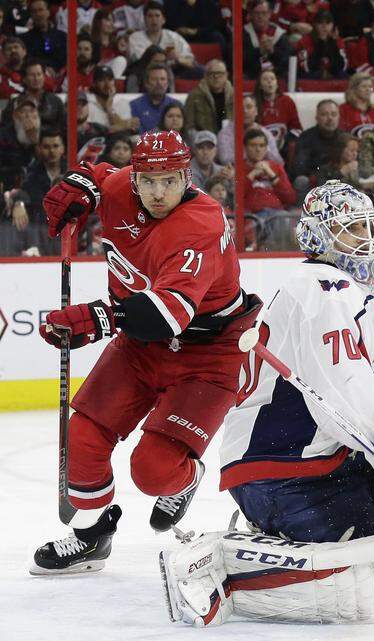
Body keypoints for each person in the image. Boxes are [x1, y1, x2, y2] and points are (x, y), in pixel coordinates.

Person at [161, 181, 374, 626]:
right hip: (283, 474)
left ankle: (271, 536)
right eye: (348, 231)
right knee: (365, 570)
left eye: (366, 228)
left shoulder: (337, 291)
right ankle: (220, 567)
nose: (364, 241)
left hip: (310, 468)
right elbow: (340, 391)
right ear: (317, 237)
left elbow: (353, 381)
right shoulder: (324, 289)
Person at [29, 130, 261, 575]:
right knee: (80, 444)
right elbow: (100, 174)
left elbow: (166, 314)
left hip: (209, 354)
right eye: (149, 181)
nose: (159, 192)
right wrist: (81, 184)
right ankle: (93, 536)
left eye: (170, 181)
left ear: (186, 177)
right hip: (140, 348)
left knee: (152, 470)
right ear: (135, 178)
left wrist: (97, 319)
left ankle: (185, 479)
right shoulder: (123, 187)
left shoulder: (201, 222)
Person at [241, 128, 296, 250]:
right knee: (252, 223)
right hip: (252, 215)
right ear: (245, 147)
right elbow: (237, 197)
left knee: (285, 218)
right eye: (253, 145)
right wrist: (252, 174)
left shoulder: (275, 167)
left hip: (276, 214)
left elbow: (290, 198)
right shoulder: (239, 167)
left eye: (261, 145)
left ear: (266, 148)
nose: (258, 149)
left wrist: (271, 174)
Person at [291, 98, 350, 197]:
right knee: (301, 180)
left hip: (341, 179)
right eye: (324, 114)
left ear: (339, 117)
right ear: (317, 117)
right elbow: (300, 168)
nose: (330, 118)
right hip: (316, 182)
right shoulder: (306, 137)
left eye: (333, 114)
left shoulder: (345, 138)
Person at [128, 2, 199, 78]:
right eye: (150, 16)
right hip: (145, 74)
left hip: (174, 71)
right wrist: (166, 59)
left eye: (157, 16)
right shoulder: (135, 38)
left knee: (200, 70)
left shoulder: (173, 37)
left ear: (163, 20)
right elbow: (140, 63)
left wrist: (177, 58)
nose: (154, 20)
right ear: (145, 20)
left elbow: (191, 62)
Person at [254, 69, 302, 153]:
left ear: (276, 84)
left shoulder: (287, 101)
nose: (269, 81)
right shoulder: (254, 102)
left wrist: (285, 139)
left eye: (272, 79)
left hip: (284, 144)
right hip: (260, 144)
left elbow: (297, 128)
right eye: (265, 79)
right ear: (260, 86)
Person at [184, 60, 234, 135]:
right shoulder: (194, 96)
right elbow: (189, 125)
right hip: (203, 142)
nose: (216, 77)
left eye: (220, 73)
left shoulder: (234, 96)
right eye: (212, 73)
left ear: (226, 75)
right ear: (205, 76)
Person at [297, 9, 347, 79]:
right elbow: (306, 68)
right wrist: (320, 42)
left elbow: (343, 66)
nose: (324, 26)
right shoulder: (304, 41)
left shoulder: (338, 41)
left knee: (343, 75)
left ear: (332, 25)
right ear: (315, 24)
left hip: (332, 74)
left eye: (328, 23)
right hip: (312, 76)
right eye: (320, 23)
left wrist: (333, 44)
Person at [130, 65, 180, 134]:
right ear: (146, 83)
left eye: (162, 79)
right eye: (154, 79)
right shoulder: (134, 106)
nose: (159, 83)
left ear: (167, 83)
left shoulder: (177, 105)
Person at [340, 71, 374, 137]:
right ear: (354, 89)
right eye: (364, 86)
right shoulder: (342, 110)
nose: (368, 89)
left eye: (370, 87)